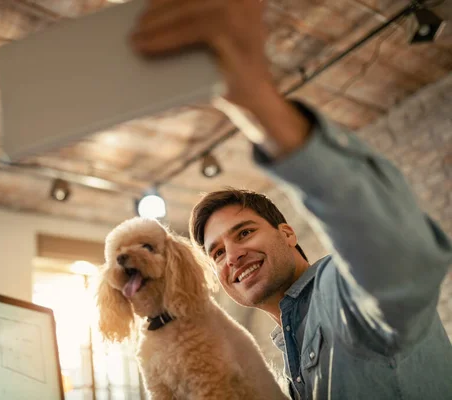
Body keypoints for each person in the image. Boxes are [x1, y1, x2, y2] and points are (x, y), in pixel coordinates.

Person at [131, 0, 452, 399]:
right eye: (216, 253)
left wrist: (259, 102)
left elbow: (402, 258)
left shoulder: (344, 293)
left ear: (286, 233)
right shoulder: (290, 342)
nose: (232, 256)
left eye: (244, 232)